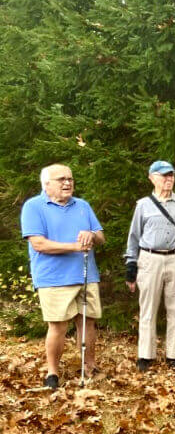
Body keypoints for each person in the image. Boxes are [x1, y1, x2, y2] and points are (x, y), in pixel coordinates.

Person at [20, 164, 106, 390]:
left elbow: (100, 237)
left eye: (70, 178)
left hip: (87, 274)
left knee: (87, 322)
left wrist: (91, 236)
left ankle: (89, 366)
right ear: (46, 184)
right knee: (57, 326)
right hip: (53, 278)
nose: (67, 183)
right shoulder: (33, 206)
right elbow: (39, 244)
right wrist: (76, 246)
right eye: (61, 179)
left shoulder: (83, 206)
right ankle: (53, 373)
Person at [124, 161, 175, 372]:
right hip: (149, 260)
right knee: (148, 308)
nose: (168, 179)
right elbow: (134, 238)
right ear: (152, 178)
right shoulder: (143, 205)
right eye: (164, 175)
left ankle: (173, 355)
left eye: (171, 175)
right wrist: (131, 267)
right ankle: (145, 356)